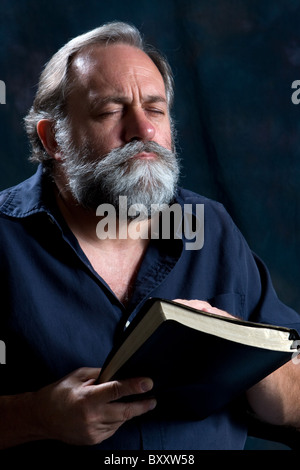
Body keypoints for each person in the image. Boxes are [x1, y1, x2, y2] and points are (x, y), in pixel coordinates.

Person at [0, 21, 299, 452]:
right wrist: (38, 416)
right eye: (110, 111)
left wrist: (247, 355)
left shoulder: (210, 227)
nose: (143, 130)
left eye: (155, 109)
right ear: (54, 139)